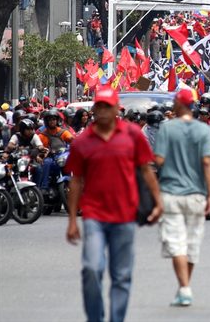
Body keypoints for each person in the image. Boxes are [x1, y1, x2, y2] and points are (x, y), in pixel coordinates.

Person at [65, 86, 162, 322]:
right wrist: (71, 221)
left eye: (109, 107)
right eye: (101, 106)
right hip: (94, 216)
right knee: (91, 269)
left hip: (125, 215)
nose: (104, 111)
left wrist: (158, 202)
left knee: (121, 275)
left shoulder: (133, 135)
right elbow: (76, 181)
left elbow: (146, 170)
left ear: (116, 109)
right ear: (95, 109)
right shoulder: (82, 142)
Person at [153, 88, 210, 307]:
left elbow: (158, 160)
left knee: (176, 244)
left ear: (179, 105)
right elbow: (208, 163)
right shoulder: (203, 131)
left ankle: (184, 288)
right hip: (197, 195)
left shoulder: (167, 128)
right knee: (191, 244)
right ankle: (184, 287)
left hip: (170, 193)